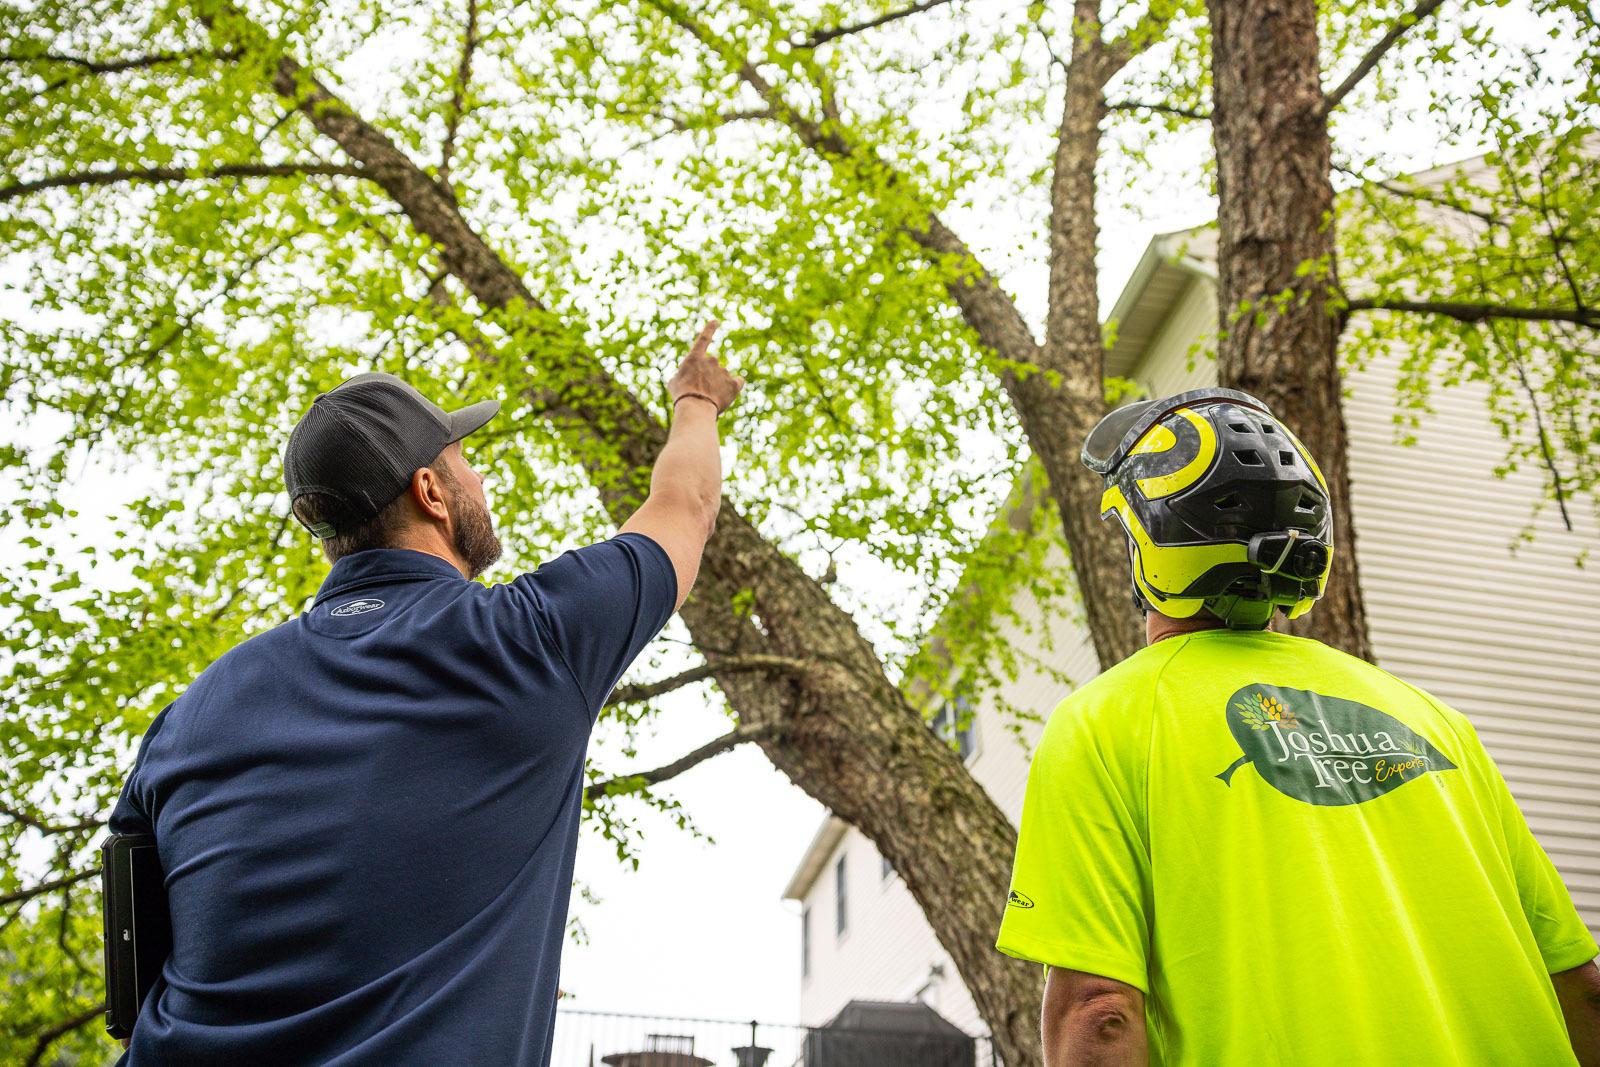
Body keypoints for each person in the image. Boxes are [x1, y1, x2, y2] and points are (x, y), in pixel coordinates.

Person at [108, 322, 743, 1064]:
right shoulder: (528, 642)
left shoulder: (189, 715)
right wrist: (696, 399)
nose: (478, 478)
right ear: (432, 492)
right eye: (464, 460)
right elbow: (685, 505)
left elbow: (140, 966)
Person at [996, 388, 1600, 1066]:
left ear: (1147, 542)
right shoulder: (1435, 722)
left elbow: (1099, 1009)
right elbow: (1578, 987)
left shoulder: (1104, 723)